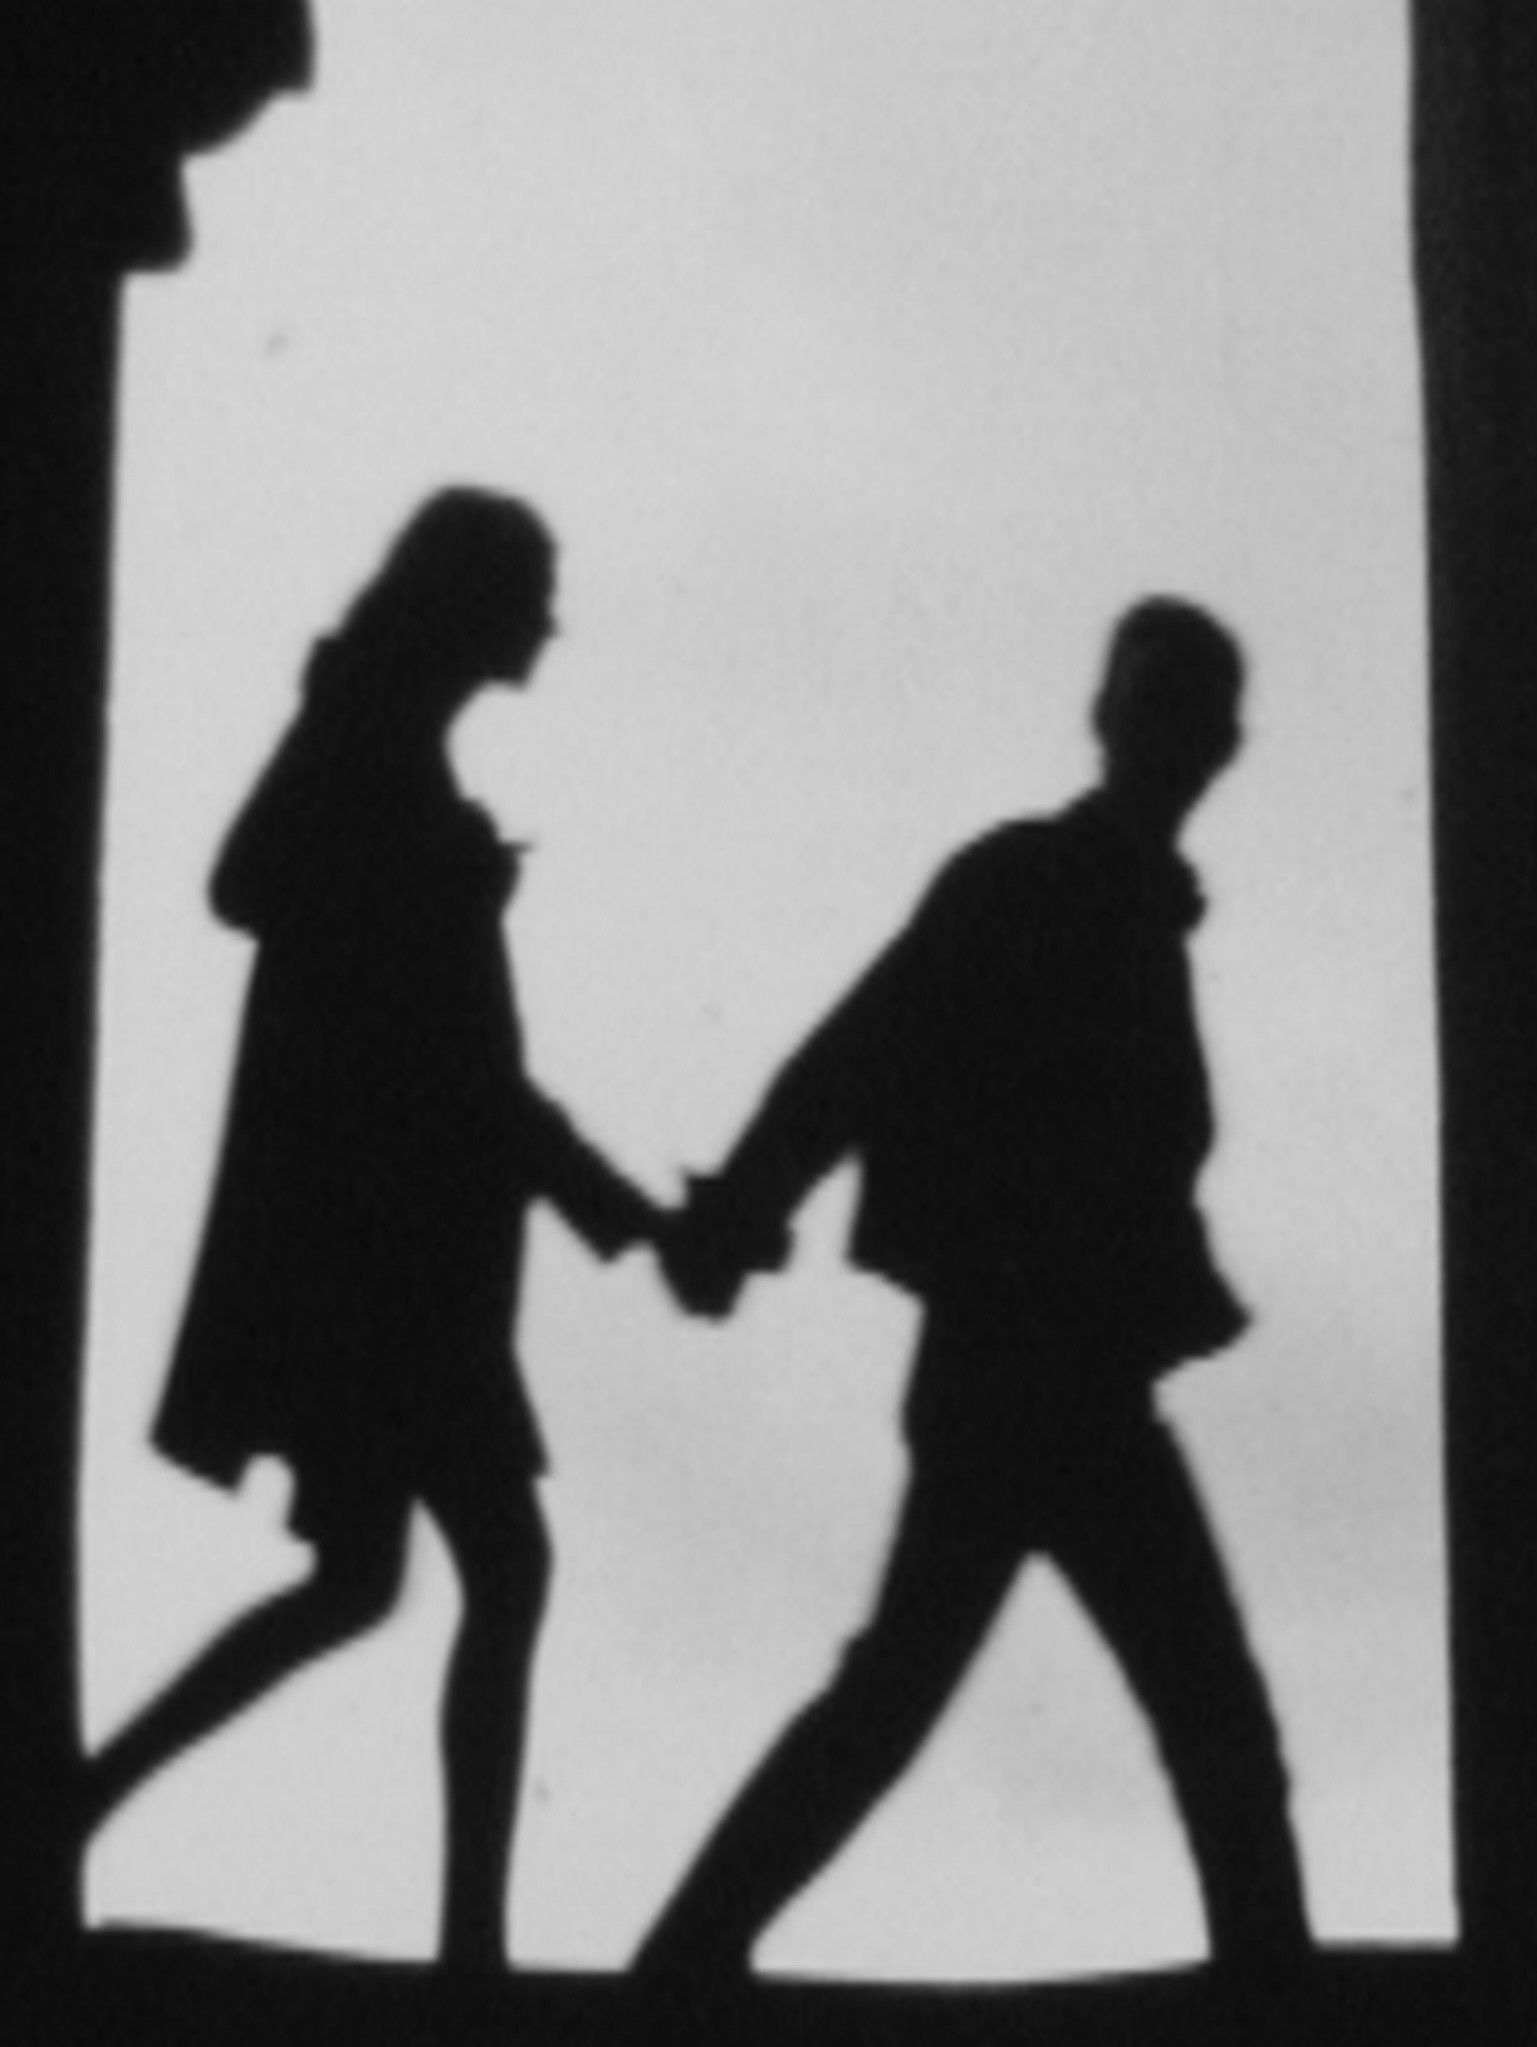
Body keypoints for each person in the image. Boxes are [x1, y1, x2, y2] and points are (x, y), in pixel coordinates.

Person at [636, 597, 1310, 1979]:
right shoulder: (1030, 885)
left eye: (1194, 713)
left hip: (1033, 1378)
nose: (1178, 737)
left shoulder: (1111, 908)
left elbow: (858, 1062)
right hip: (1036, 1378)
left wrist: (740, 1216)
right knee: (1196, 1719)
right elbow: (856, 1056)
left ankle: (680, 1965)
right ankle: (1276, 1995)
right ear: (1119, 722)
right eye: (1163, 705)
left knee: (911, 1700)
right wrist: (742, 1210)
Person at [82, 488, 664, 1969]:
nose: (549, 624)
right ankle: (469, 1948)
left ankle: (82, 1800)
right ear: (476, 604)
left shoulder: (388, 747)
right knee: (496, 1569)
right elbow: (271, 902)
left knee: (369, 1581)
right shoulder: (378, 747)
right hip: (393, 1262)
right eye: (532, 594)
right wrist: (624, 1211)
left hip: (393, 1251)